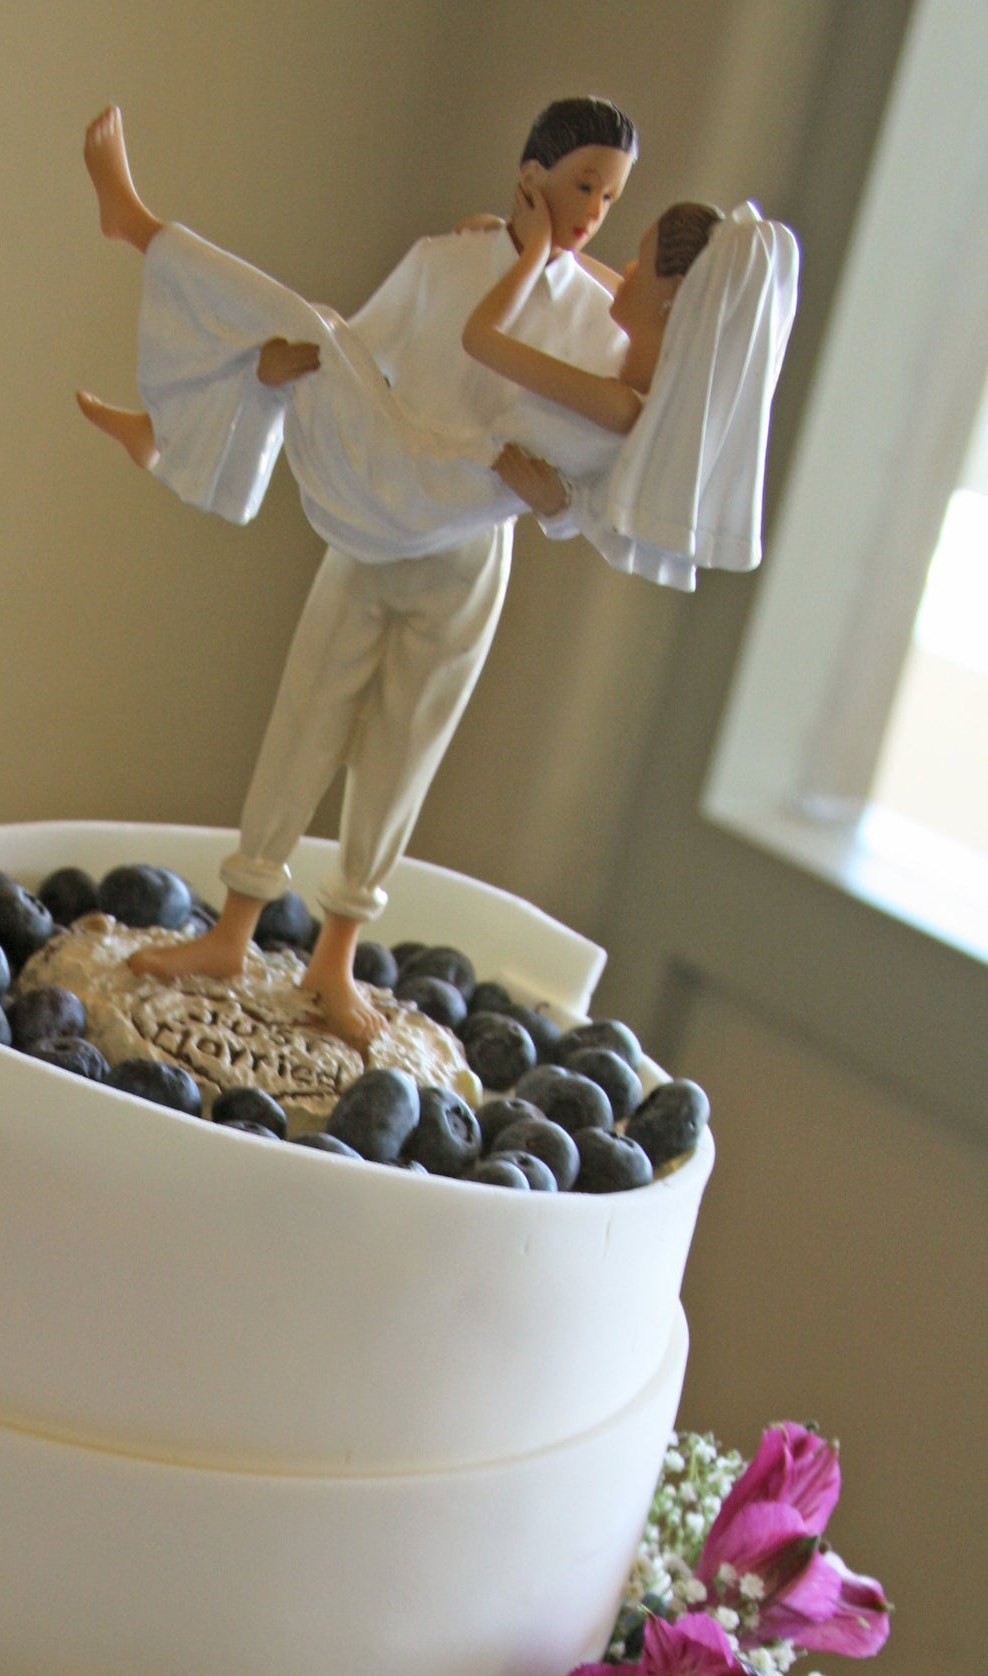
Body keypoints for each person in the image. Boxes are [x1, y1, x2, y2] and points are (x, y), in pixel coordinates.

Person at [76, 103, 791, 1042]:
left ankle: (335, 957)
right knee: (307, 715)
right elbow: (366, 348)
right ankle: (234, 927)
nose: (596, 217)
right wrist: (305, 363)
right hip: (382, 518)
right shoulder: (454, 264)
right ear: (533, 176)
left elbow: (592, 487)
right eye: (585, 186)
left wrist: (549, 501)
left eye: (614, 200)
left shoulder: (607, 333)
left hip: (463, 552)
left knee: (403, 752)